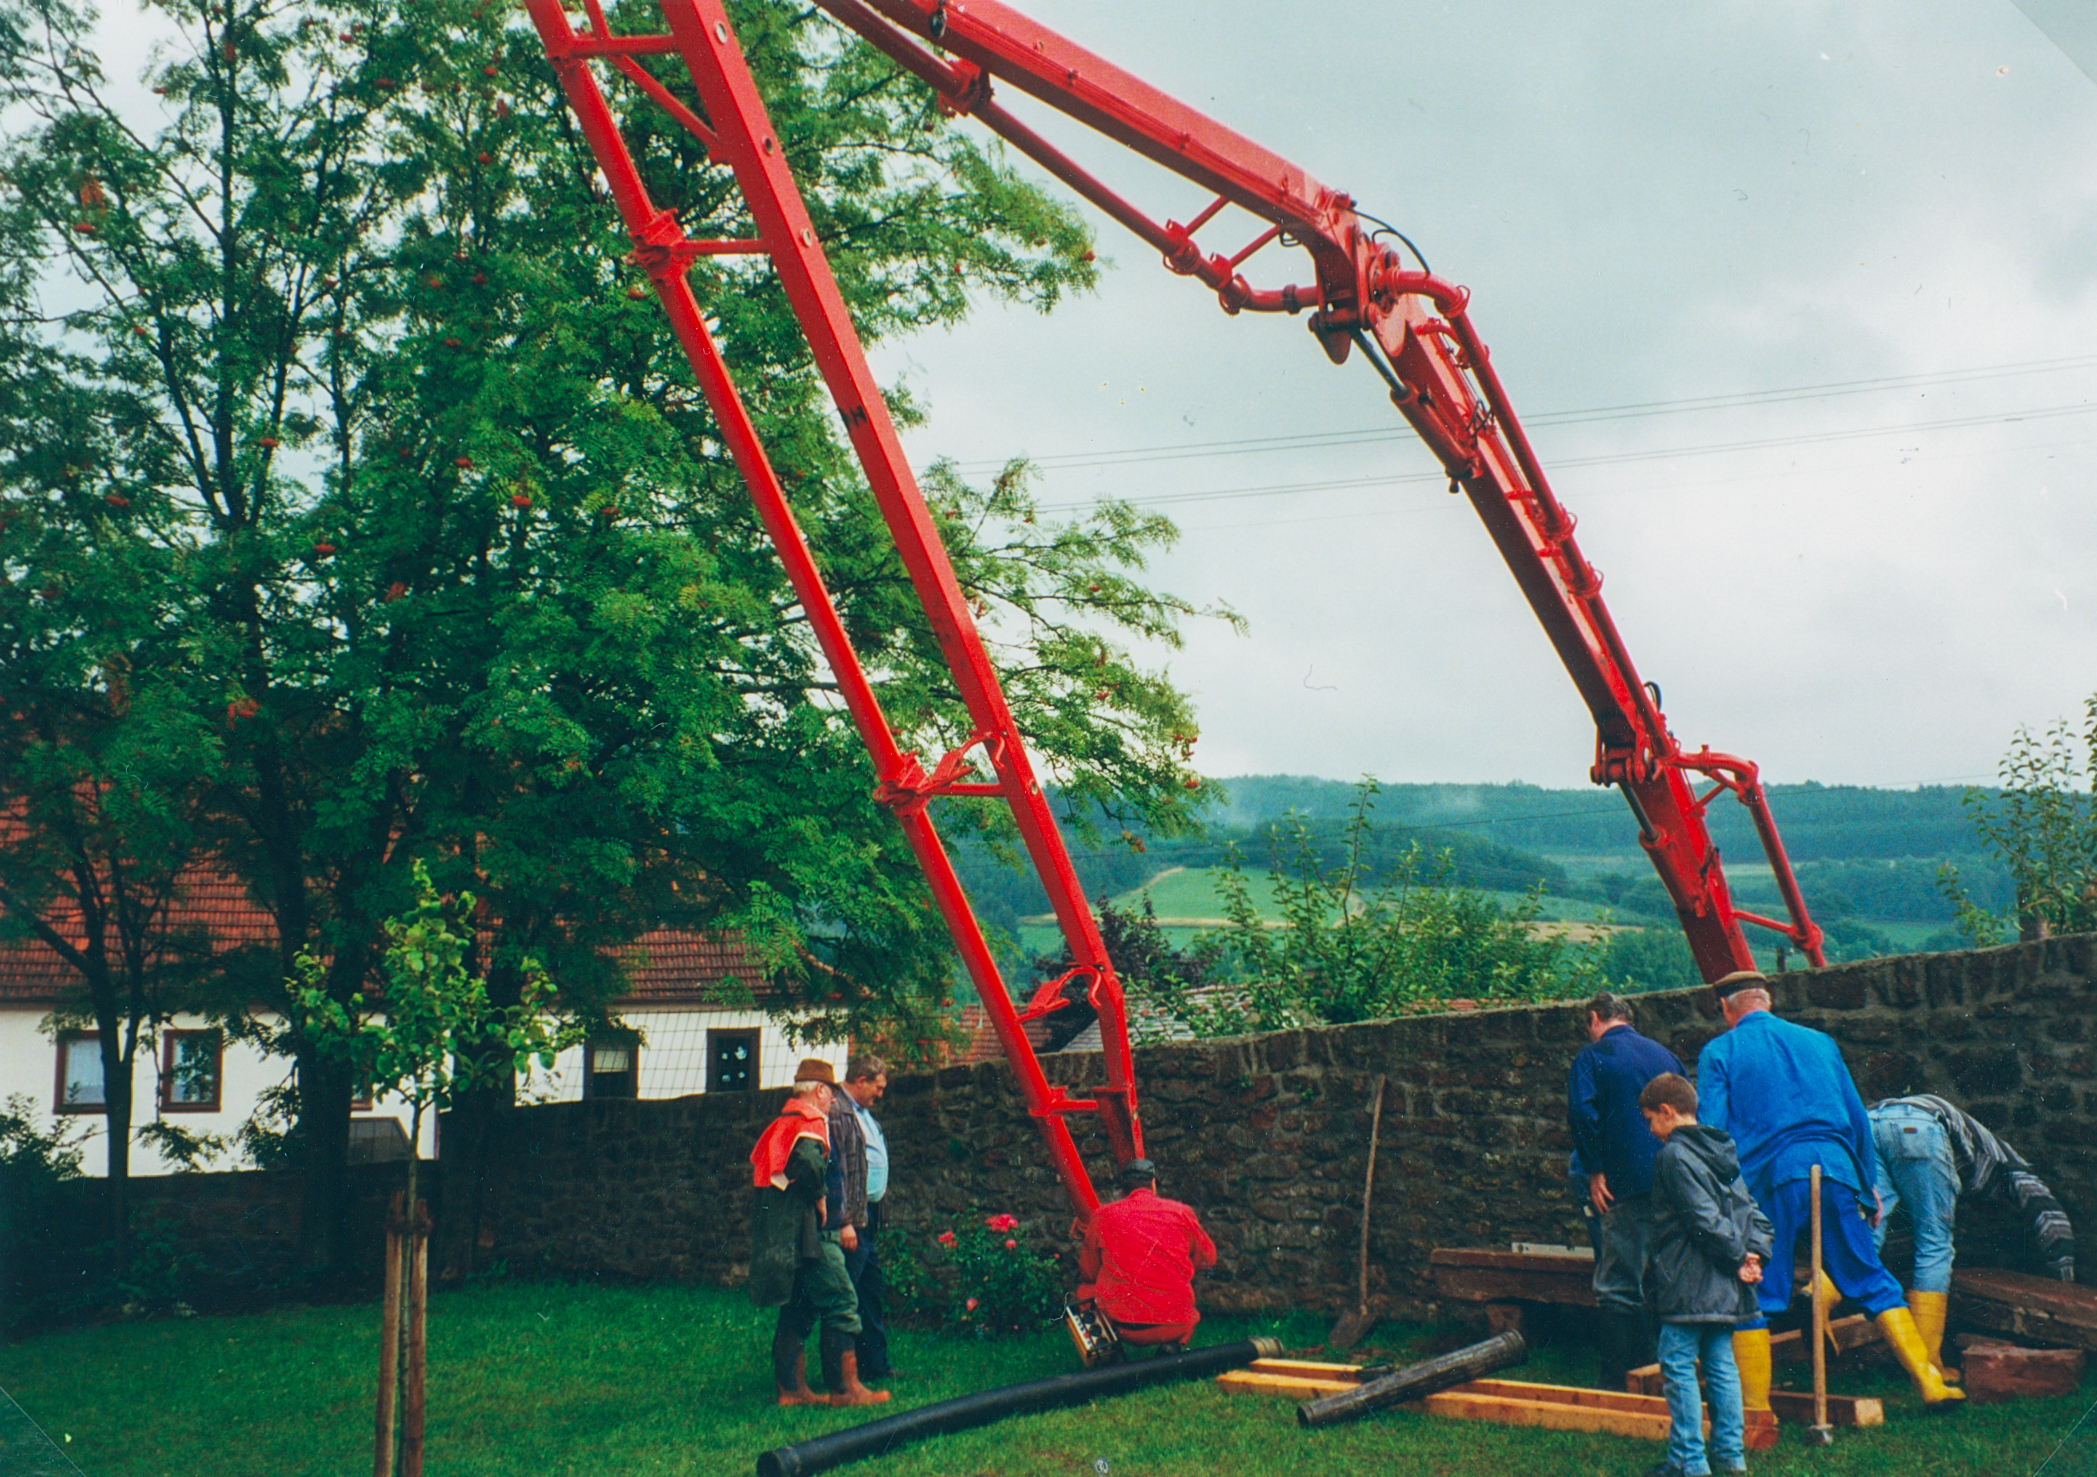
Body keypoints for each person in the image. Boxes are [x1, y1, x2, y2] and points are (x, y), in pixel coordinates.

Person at [1696, 972, 1962, 1411]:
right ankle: (1931, 1382)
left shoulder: (1721, 1050)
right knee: (1871, 1278)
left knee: (1757, 1291)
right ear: (1767, 1000)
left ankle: (1758, 1414)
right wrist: (1866, 1186)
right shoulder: (1820, 1042)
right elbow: (1858, 1118)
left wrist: (1724, 1195)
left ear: (1726, 1009)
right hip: (1836, 1172)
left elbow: (1713, 1130)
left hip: (1771, 1180)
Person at [1868, 1092, 2077, 1379]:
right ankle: (1929, 1367)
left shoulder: (1974, 1153)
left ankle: (1817, 1294)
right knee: (1934, 1243)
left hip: (1872, 1122)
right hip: (1917, 1125)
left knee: (1867, 1232)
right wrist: (2065, 1281)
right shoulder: (2011, 1167)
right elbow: (2052, 1219)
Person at [1639, 1072, 1773, 1477]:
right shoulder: (1721, 1150)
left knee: (1677, 1364)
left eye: (1649, 1120)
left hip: (1686, 1280)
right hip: (1725, 1285)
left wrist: (1739, 1258)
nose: (1650, 1131)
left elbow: (1702, 1218)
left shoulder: (1672, 1157)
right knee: (1720, 1366)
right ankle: (1731, 1458)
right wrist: (1754, 1255)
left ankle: (1689, 1462)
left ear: (1666, 1111)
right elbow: (1752, 1214)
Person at [747, 1059, 888, 1408]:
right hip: (816, 1233)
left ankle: (792, 1392)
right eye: (829, 1095)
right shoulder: (810, 1122)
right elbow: (811, 1164)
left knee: (799, 1307)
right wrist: (820, 1195)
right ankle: (845, 1390)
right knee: (842, 1301)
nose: (831, 1102)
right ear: (820, 1090)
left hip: (793, 1233)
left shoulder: (784, 1120)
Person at [1567, 991, 1683, 1389]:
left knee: (1618, 1279)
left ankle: (1614, 1380)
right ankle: (1659, 1369)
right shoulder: (1664, 1055)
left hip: (1623, 1180)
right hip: (1672, 1178)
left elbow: (1583, 1113)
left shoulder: (1592, 1056)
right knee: (1665, 1276)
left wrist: (1595, 1171)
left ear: (1596, 1018)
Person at [1075, 1159, 1217, 1351]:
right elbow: (1208, 1259)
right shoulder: (1182, 1212)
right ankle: (1172, 1345)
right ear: (1153, 1184)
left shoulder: (1103, 1215)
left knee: (1084, 1291)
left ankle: (1109, 1353)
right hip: (1175, 1325)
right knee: (1182, 1295)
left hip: (1122, 1327)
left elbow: (1088, 1273)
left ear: (1123, 1190)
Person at [836, 1054, 896, 1380]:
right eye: (878, 1087)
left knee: (870, 1289)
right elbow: (837, 1172)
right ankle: (845, 1373)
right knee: (848, 1292)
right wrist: (845, 1220)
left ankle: (875, 1365)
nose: (880, 1094)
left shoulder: (864, 1113)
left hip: (868, 1214)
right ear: (861, 1081)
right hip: (852, 1218)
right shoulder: (839, 1112)